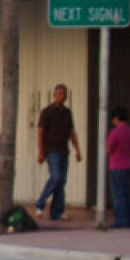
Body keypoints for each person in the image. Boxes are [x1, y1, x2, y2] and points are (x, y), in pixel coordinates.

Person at [35, 83, 82, 221]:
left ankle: (57, 211)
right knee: (55, 177)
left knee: (61, 181)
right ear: (54, 95)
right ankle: (40, 203)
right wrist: (41, 152)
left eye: (64, 94)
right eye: (59, 93)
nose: (62, 96)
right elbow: (40, 132)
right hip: (51, 150)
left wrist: (77, 150)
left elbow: (71, 132)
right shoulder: (46, 112)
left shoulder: (67, 113)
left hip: (64, 150)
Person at [106, 105, 130, 228]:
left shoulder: (114, 133)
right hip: (129, 165)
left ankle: (121, 220)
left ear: (116, 118)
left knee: (118, 194)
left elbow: (109, 149)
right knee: (128, 193)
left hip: (116, 166)